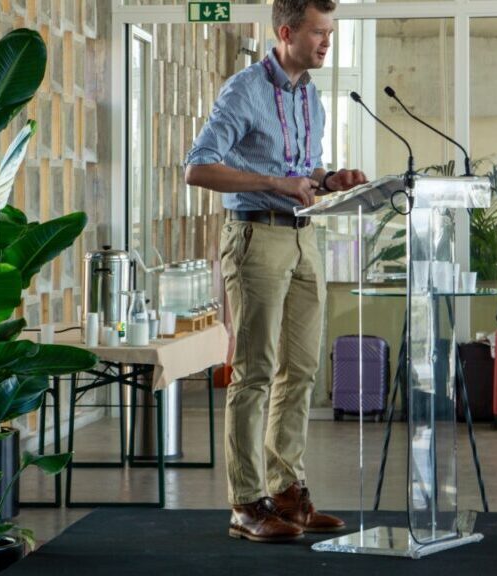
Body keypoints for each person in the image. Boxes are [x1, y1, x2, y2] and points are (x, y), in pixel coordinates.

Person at [185, 0, 367, 543]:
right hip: (256, 237)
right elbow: (198, 166)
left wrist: (329, 178)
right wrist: (275, 184)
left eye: (331, 32)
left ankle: (286, 491)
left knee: (302, 371)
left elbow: (299, 170)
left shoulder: (312, 97)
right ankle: (246, 503)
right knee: (256, 372)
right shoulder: (244, 90)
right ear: (286, 32)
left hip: (304, 237)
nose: (327, 42)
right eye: (318, 32)